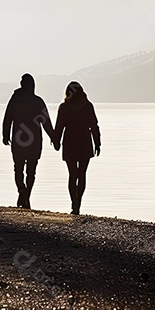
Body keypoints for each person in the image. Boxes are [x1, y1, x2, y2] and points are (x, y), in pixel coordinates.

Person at [2, 74, 56, 209]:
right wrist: (54, 138)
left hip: (18, 140)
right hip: (34, 141)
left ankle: (22, 191)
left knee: (18, 168)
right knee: (31, 171)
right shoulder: (38, 101)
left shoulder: (15, 100)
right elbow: (46, 122)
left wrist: (5, 134)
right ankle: (26, 195)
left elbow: (7, 117)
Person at [53, 81, 101, 215]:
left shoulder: (64, 107)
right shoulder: (88, 106)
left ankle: (74, 204)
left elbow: (59, 126)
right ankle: (78, 202)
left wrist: (56, 141)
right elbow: (94, 126)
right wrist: (97, 143)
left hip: (69, 142)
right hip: (85, 141)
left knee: (72, 175)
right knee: (82, 174)